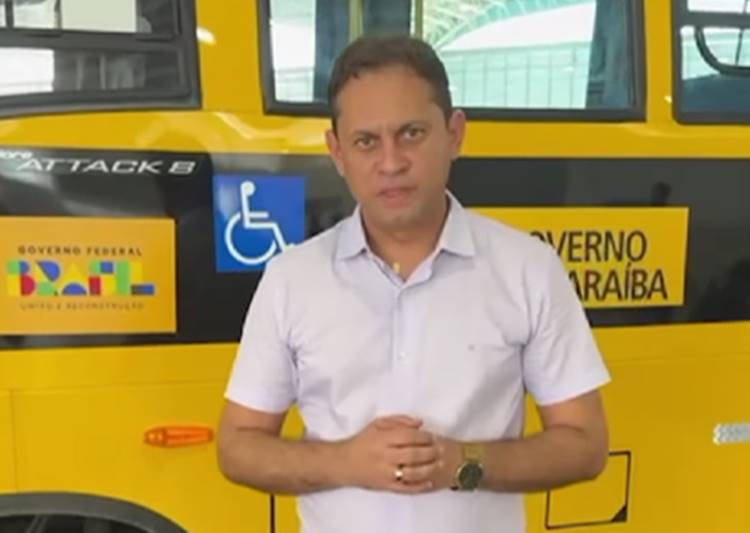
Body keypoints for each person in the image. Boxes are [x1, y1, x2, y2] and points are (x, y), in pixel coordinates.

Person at [217, 34, 610, 533]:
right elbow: (237, 447)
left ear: (454, 134)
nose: (391, 162)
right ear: (337, 152)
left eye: (411, 134)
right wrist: (345, 462)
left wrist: (462, 463)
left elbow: (584, 444)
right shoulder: (292, 279)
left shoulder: (528, 269)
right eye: (366, 141)